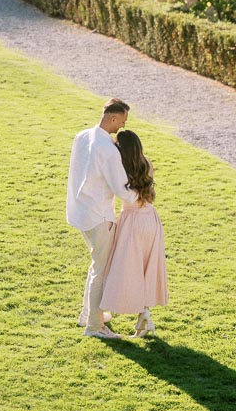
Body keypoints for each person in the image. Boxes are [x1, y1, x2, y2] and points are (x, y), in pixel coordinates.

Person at [66, 98, 133, 339]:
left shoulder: (82, 136)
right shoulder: (108, 150)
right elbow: (121, 189)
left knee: (96, 266)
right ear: (112, 118)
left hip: (80, 212)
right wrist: (141, 197)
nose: (122, 127)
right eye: (122, 121)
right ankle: (94, 326)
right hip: (99, 217)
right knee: (101, 270)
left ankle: (89, 314)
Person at [101, 130, 168, 338]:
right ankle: (144, 314)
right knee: (146, 268)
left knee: (129, 270)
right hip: (151, 220)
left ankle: (104, 313)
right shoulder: (146, 163)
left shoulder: (122, 169)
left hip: (132, 222)